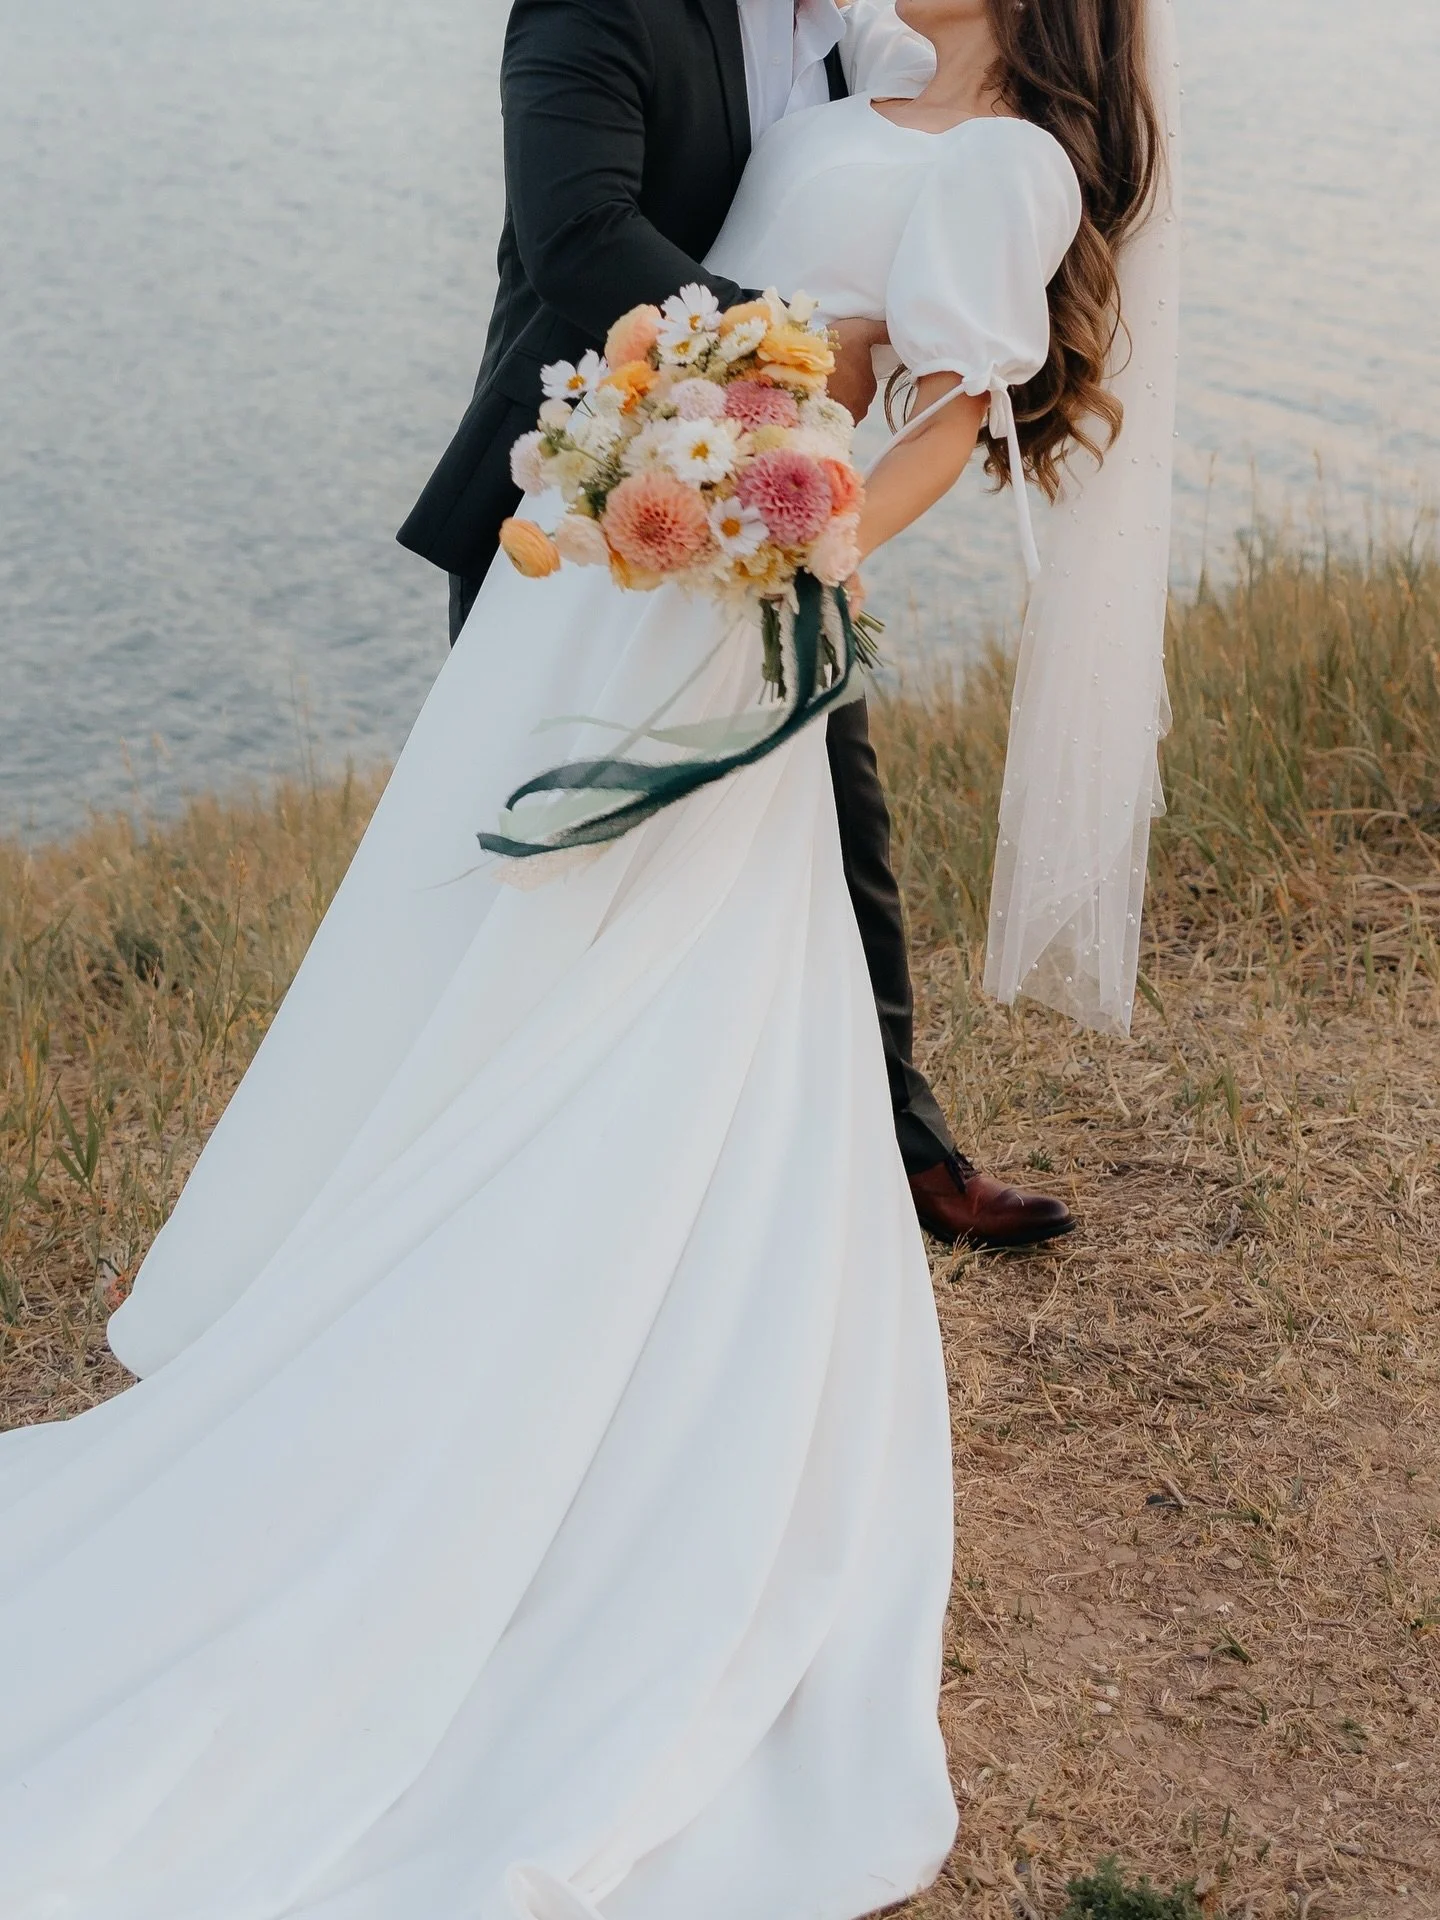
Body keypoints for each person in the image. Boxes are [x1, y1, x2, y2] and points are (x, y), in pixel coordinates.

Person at [0, 2, 1177, 1916]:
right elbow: (606, 241)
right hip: (607, 554)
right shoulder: (838, 68)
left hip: (732, 572)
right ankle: (441, 1286)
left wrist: (821, 546)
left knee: (691, 984)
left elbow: (958, 407)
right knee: (515, 945)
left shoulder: (1005, 157)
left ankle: (623, 1378)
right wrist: (749, 409)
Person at [396, 0, 1076, 1251]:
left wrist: (812, 523)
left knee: (829, 831)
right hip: (574, 506)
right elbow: (582, 237)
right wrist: (806, 347)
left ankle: (894, 1148)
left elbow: (952, 221)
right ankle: (503, 1177)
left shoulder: (856, 41)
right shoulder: (602, 7)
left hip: (767, 524)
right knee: (549, 847)